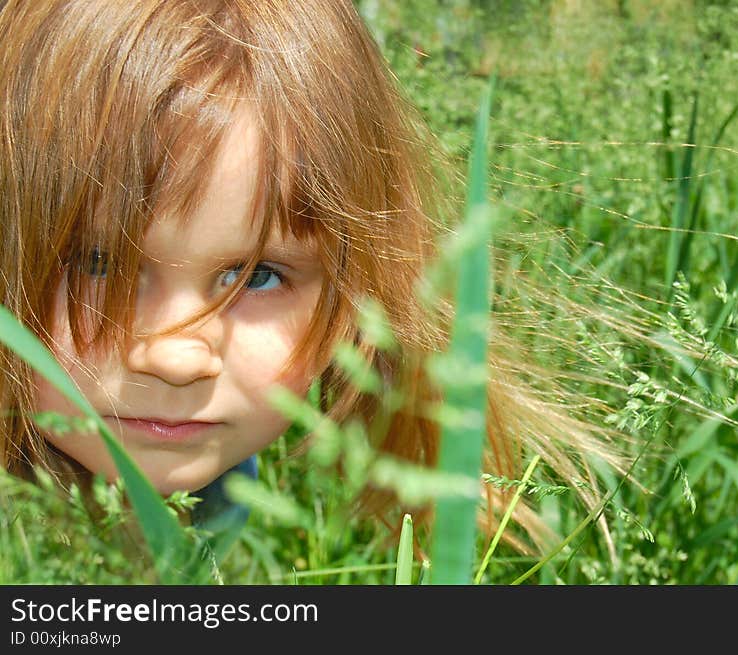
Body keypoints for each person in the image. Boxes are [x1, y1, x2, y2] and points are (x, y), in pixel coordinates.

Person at [0, 0, 626, 557]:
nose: (175, 357)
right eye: (96, 264)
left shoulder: (221, 483)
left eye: (258, 276)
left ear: (359, 293)